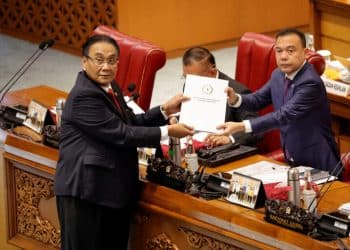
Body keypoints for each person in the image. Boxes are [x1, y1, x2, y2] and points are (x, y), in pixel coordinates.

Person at [54, 34, 194, 250]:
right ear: (84, 62)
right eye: (99, 60)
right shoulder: (84, 96)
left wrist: (165, 109)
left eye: (111, 60)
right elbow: (122, 134)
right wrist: (168, 131)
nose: (106, 67)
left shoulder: (111, 87)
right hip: (85, 194)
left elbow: (131, 122)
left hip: (109, 192)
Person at [217, 28, 339, 172]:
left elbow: (283, 116)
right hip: (292, 155)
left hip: (317, 160)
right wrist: (236, 99)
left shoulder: (310, 83)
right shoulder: (278, 74)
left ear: (305, 53)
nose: (283, 56)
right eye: (279, 51)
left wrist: (241, 126)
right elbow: (258, 99)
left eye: (290, 50)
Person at [182, 46, 259, 147]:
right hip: (196, 141)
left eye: (195, 78)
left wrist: (229, 139)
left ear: (212, 72)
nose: (190, 83)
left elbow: (256, 128)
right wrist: (177, 118)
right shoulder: (190, 84)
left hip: (226, 149)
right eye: (185, 77)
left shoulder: (238, 92)